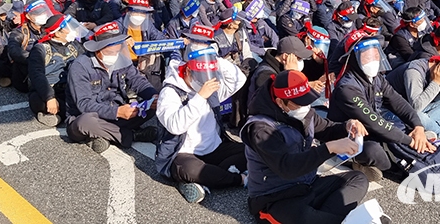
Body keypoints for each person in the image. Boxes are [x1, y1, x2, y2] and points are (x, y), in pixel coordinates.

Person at [242, 69, 370, 224]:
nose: (306, 106)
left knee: (358, 178)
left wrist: (347, 126)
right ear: (280, 102)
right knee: (305, 217)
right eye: (299, 103)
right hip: (275, 197)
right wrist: (328, 148)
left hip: (307, 185)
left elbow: (326, 129)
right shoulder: (261, 129)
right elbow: (286, 167)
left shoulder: (303, 112)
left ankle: (325, 218)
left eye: (307, 100)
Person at [328, 32, 435, 182]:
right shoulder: (347, 88)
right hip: (349, 136)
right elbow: (373, 121)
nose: (373, 60)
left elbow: (398, 102)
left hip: (373, 129)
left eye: (375, 55)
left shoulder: (377, 79)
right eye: (367, 56)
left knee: (403, 133)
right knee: (376, 152)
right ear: (354, 58)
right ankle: (355, 163)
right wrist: (411, 142)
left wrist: (418, 127)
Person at [156, 44, 248, 203]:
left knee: (251, 150)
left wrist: (213, 58)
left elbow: (239, 79)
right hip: (185, 153)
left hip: (214, 148)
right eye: (201, 79)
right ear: (188, 71)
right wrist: (200, 97)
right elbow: (175, 126)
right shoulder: (170, 91)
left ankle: (208, 179)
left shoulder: (210, 83)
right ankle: (236, 179)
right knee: (189, 169)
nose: (206, 83)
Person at [65, 21, 159, 153]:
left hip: (117, 110)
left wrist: (153, 96)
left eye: (117, 51)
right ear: (97, 50)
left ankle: (105, 135)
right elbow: (84, 104)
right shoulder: (80, 66)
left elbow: (137, 80)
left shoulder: (120, 59)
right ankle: (132, 135)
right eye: (109, 52)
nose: (114, 56)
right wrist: (117, 112)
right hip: (91, 116)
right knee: (85, 123)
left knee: (151, 106)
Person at [28, 14, 86, 127]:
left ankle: (60, 116)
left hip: (71, 87)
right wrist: (49, 97)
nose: (73, 31)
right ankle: (57, 113)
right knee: (39, 102)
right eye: (68, 29)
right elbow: (37, 75)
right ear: (58, 33)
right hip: (50, 89)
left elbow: (85, 63)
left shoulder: (74, 45)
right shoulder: (40, 49)